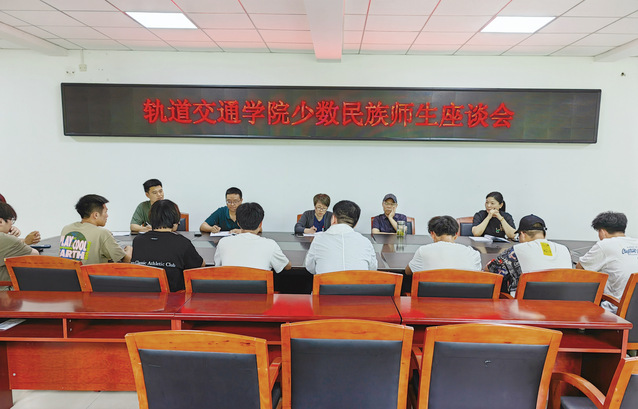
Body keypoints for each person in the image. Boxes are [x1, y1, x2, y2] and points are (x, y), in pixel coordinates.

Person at [486, 214, 571, 294]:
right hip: (563, 300)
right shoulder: (564, 249)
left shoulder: (516, 250)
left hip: (526, 303)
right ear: (544, 234)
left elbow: (491, 272)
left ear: (523, 234)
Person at [132, 200, 204, 291]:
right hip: (174, 297)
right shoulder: (182, 243)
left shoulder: (138, 241)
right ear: (175, 219)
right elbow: (200, 266)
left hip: (142, 296)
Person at [576, 211, 638, 312]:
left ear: (602, 231)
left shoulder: (605, 244)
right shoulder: (636, 242)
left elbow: (579, 269)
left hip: (615, 310)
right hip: (633, 312)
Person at [305, 200, 377, 274]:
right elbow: (372, 269)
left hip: (326, 281)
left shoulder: (318, 240)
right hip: (358, 281)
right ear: (356, 224)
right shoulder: (365, 242)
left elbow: (310, 267)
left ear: (333, 219)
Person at [214, 202, 291, 272]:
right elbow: (287, 266)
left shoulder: (223, 242)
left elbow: (217, 266)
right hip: (259, 283)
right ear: (260, 224)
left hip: (229, 283)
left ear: (238, 223)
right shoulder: (271, 245)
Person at [60, 194, 132, 264]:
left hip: (69, 272)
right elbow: (126, 260)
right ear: (96, 215)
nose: (107, 215)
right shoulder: (102, 233)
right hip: (93, 272)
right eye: (105, 212)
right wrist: (129, 249)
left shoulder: (66, 229)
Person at [406, 216, 481, 274]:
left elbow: (408, 272)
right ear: (456, 235)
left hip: (432, 290)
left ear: (432, 234)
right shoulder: (473, 254)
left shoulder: (423, 251)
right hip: (463, 289)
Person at [0, 202, 39, 289]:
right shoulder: (6, 239)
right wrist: (12, 238)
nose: (11, 224)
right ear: (1, 221)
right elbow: (34, 255)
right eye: (11, 220)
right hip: (6, 292)